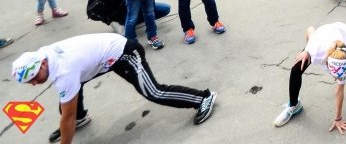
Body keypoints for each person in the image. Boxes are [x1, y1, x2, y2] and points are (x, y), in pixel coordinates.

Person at [11, 33, 217, 143]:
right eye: (29, 82)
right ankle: (81, 118)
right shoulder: (42, 56)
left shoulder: (63, 70)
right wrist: (71, 118)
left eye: (34, 77)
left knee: (153, 91)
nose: (34, 83)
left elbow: (67, 114)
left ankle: (203, 98)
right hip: (99, 57)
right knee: (72, 91)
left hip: (123, 52)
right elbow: (68, 106)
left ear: (43, 64)